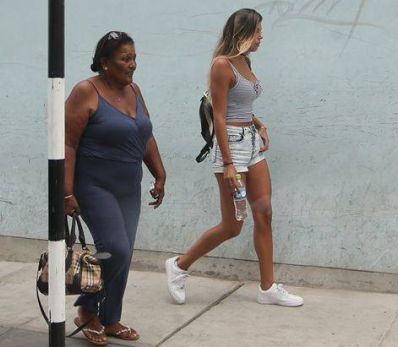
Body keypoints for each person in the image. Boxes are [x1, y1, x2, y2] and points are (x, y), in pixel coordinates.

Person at [165, 9, 303, 307]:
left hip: (251, 145)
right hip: (231, 150)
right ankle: (179, 265)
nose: (261, 36)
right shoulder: (222, 65)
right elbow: (219, 113)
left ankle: (267, 288)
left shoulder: (245, 62)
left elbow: (239, 106)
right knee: (233, 225)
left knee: (264, 211)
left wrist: (258, 123)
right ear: (243, 33)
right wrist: (228, 163)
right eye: (257, 31)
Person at [64, 31, 166, 345]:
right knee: (116, 248)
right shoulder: (86, 90)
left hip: (128, 186)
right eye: (125, 59)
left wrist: (160, 174)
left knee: (123, 254)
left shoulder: (134, 90)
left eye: (134, 58)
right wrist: (66, 191)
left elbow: (144, 134)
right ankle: (86, 310)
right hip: (94, 185)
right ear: (105, 63)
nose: (132, 64)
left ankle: (110, 318)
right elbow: (67, 142)